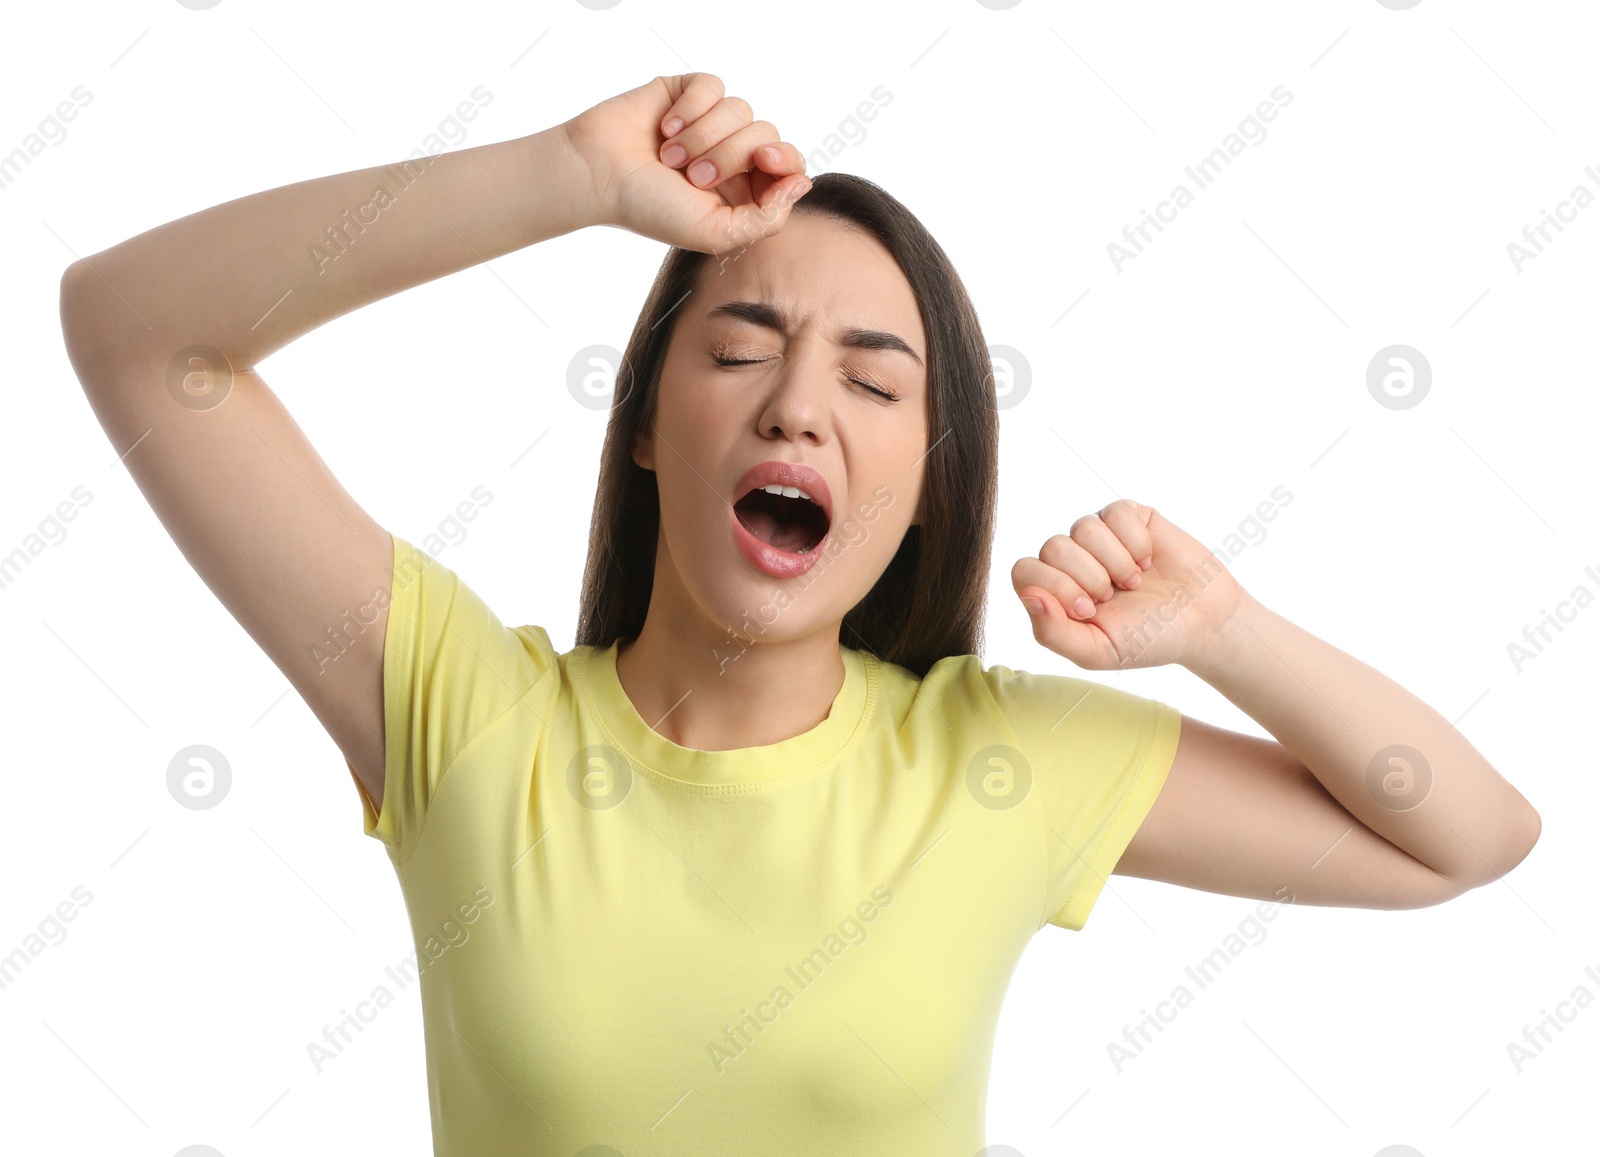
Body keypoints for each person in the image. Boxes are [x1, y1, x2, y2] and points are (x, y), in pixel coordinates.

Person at [59, 72, 1541, 1156]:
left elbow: (1463, 838)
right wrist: (568, 175)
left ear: (916, 480)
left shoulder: (993, 761)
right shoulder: (464, 716)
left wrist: (1227, 627)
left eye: (875, 381)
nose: (799, 407)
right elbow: (138, 336)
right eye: (744, 346)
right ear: (646, 419)